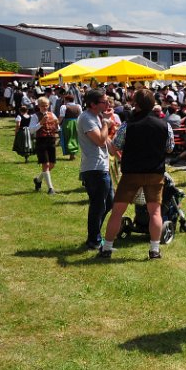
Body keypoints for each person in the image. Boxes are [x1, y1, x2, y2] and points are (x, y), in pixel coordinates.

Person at [98, 88, 174, 260]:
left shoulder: (127, 125)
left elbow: (115, 147)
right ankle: (154, 250)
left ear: (136, 104)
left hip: (131, 172)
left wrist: (107, 135)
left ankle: (107, 248)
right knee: (155, 212)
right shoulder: (165, 125)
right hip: (155, 172)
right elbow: (170, 148)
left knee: (117, 211)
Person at [77, 89, 115, 250]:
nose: (108, 104)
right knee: (98, 205)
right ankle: (93, 240)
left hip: (101, 166)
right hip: (94, 168)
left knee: (109, 202)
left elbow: (106, 142)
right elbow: (100, 140)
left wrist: (118, 152)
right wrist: (106, 123)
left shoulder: (96, 117)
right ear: (93, 104)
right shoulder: (86, 118)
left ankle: (95, 236)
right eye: (104, 102)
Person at [29, 96, 59, 194]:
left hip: (51, 140)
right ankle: (51, 188)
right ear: (38, 106)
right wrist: (40, 123)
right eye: (42, 106)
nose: (44, 108)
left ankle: (38, 180)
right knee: (45, 164)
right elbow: (31, 130)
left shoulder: (52, 115)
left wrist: (57, 126)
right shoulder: (35, 116)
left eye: (46, 106)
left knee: (52, 165)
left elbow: (58, 128)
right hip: (41, 141)